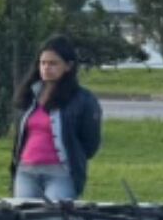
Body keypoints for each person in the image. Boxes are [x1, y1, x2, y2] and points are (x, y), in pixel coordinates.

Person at [9, 35, 103, 202]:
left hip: (60, 174)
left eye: (53, 63)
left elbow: (90, 144)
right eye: (43, 63)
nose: (46, 68)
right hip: (26, 172)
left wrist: (74, 156)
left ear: (68, 66)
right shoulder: (30, 95)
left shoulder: (83, 100)